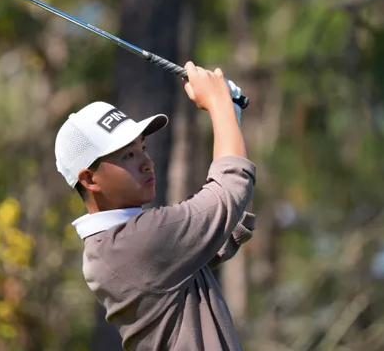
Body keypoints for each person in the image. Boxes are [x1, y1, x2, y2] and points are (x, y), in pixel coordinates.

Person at [54, 62, 257, 350]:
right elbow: (230, 188)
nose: (147, 162)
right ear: (89, 179)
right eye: (128, 155)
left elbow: (223, 217)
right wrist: (219, 104)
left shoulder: (113, 244)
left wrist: (229, 113)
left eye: (143, 148)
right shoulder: (129, 243)